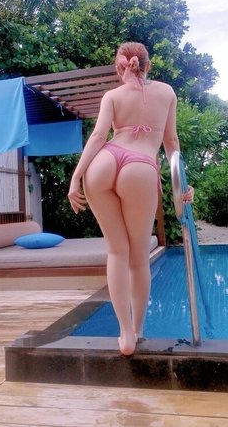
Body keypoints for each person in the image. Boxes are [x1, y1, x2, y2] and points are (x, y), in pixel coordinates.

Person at [68, 42, 193, 356]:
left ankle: (123, 332)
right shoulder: (167, 93)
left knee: (116, 251)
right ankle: (137, 331)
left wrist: (75, 177)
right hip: (140, 167)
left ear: (119, 67)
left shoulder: (111, 96)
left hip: (103, 164)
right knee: (138, 257)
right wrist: (181, 184)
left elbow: (98, 137)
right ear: (147, 65)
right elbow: (171, 142)